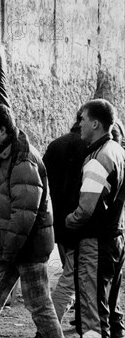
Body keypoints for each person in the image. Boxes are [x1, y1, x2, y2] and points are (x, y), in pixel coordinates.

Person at [0, 103, 63, 338]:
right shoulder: (10, 153)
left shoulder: (22, 160)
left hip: (26, 248)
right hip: (11, 244)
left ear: (2, 131)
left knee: (39, 306)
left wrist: (6, 250)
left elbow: (24, 213)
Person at [65, 99, 125, 338]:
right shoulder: (119, 152)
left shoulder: (97, 160)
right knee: (107, 309)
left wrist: (68, 220)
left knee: (92, 317)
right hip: (115, 239)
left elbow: (85, 211)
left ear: (96, 123)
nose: (79, 124)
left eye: (83, 119)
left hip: (94, 244)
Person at [43, 110, 87, 323]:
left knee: (71, 273)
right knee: (71, 278)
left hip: (57, 221)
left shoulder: (55, 145)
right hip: (79, 222)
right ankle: (48, 327)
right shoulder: (92, 147)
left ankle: (78, 316)